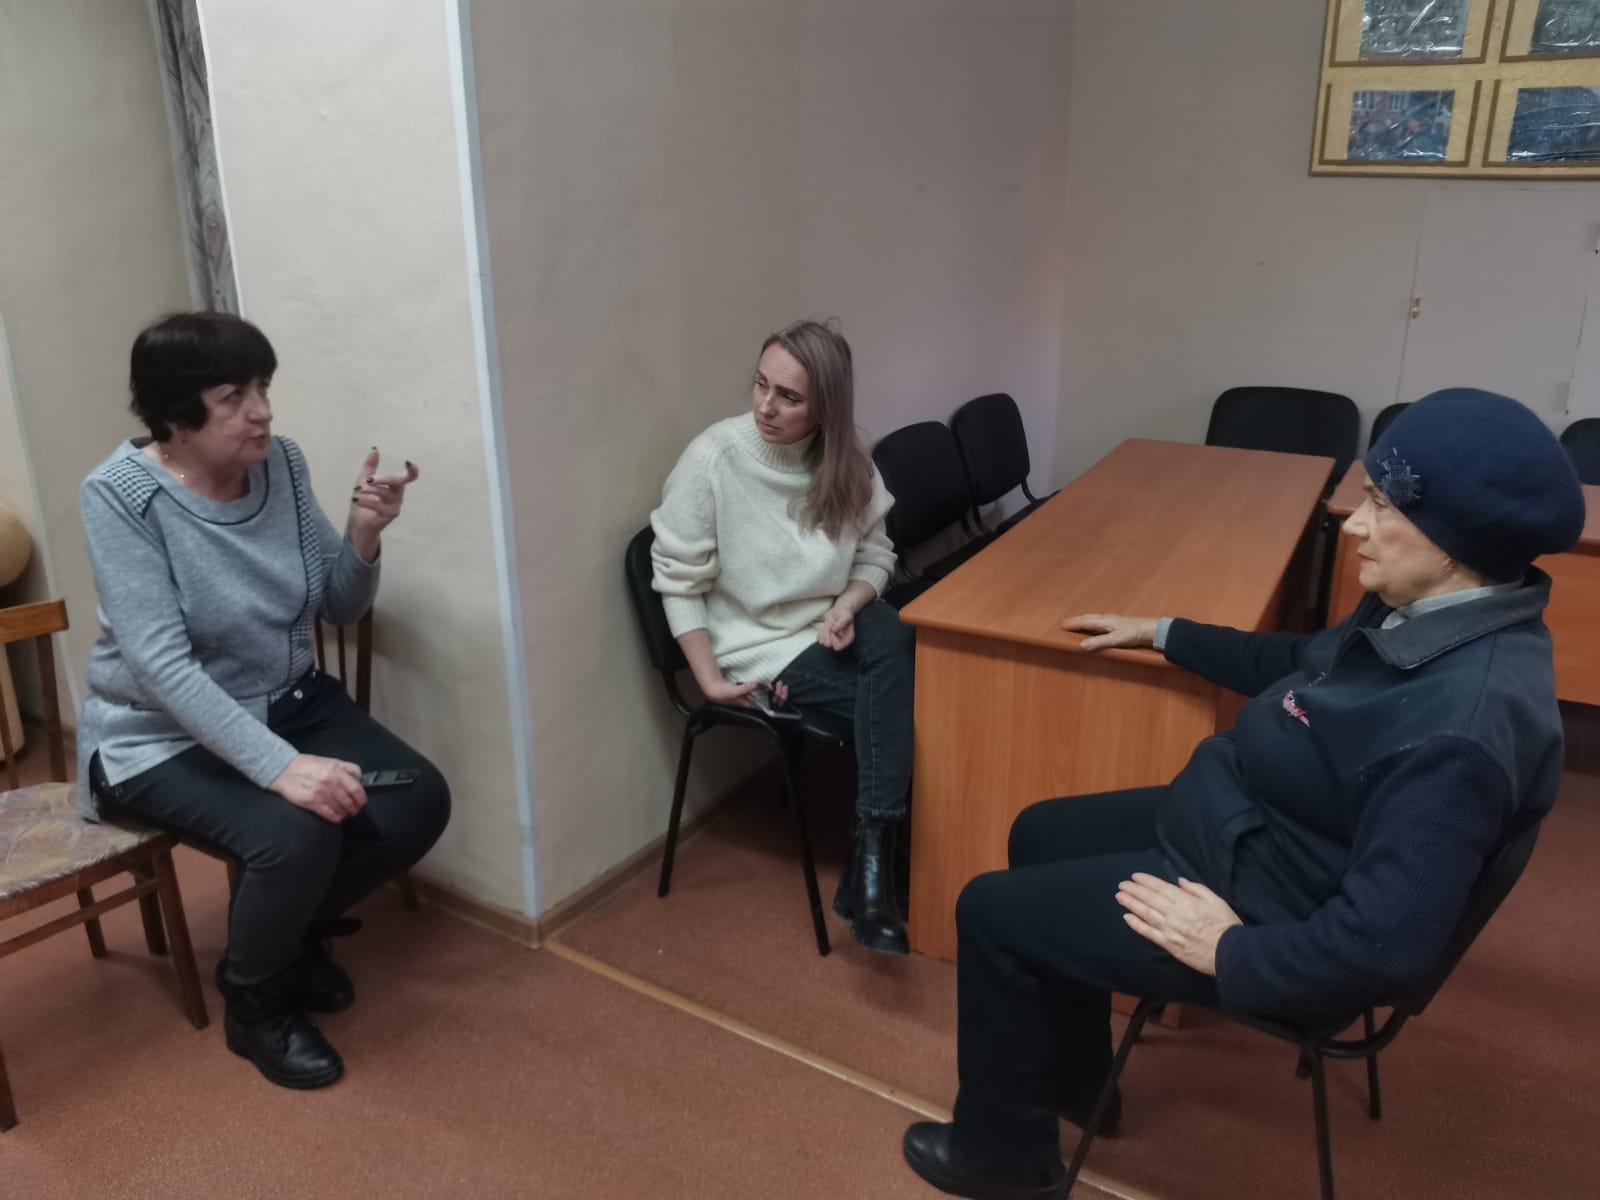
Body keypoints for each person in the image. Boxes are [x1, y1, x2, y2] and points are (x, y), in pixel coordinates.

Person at [902, 388, 1586, 1199]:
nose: (1354, 525)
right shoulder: (1431, 607)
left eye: (1384, 506)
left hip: (1271, 902)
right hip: (1258, 826)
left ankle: (1003, 1160)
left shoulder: (1460, 734)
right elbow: (1305, 662)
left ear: (1457, 540)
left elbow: (1380, 946)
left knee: (989, 911)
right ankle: (1079, 1083)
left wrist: (1229, 952)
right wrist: (1166, 633)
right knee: (1039, 832)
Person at [78, 312, 450, 1090]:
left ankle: (289, 933)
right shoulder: (120, 495)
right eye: (233, 396)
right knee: (296, 832)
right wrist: (281, 768)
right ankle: (254, 999)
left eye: (263, 388)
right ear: (177, 415)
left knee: (418, 801)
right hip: (158, 734)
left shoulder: (281, 463)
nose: (263, 411)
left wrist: (364, 533)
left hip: (290, 699)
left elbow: (337, 605)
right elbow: (161, 667)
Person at [650, 319, 915, 954]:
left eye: (789, 397)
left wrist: (846, 605)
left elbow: (875, 555)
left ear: (827, 408)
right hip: (760, 648)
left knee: (891, 631)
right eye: (761, 384)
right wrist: (710, 679)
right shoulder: (715, 459)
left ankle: (870, 859)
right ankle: (877, 863)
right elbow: (677, 581)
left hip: (830, 629)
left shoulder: (848, 460)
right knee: (906, 697)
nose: (766, 406)